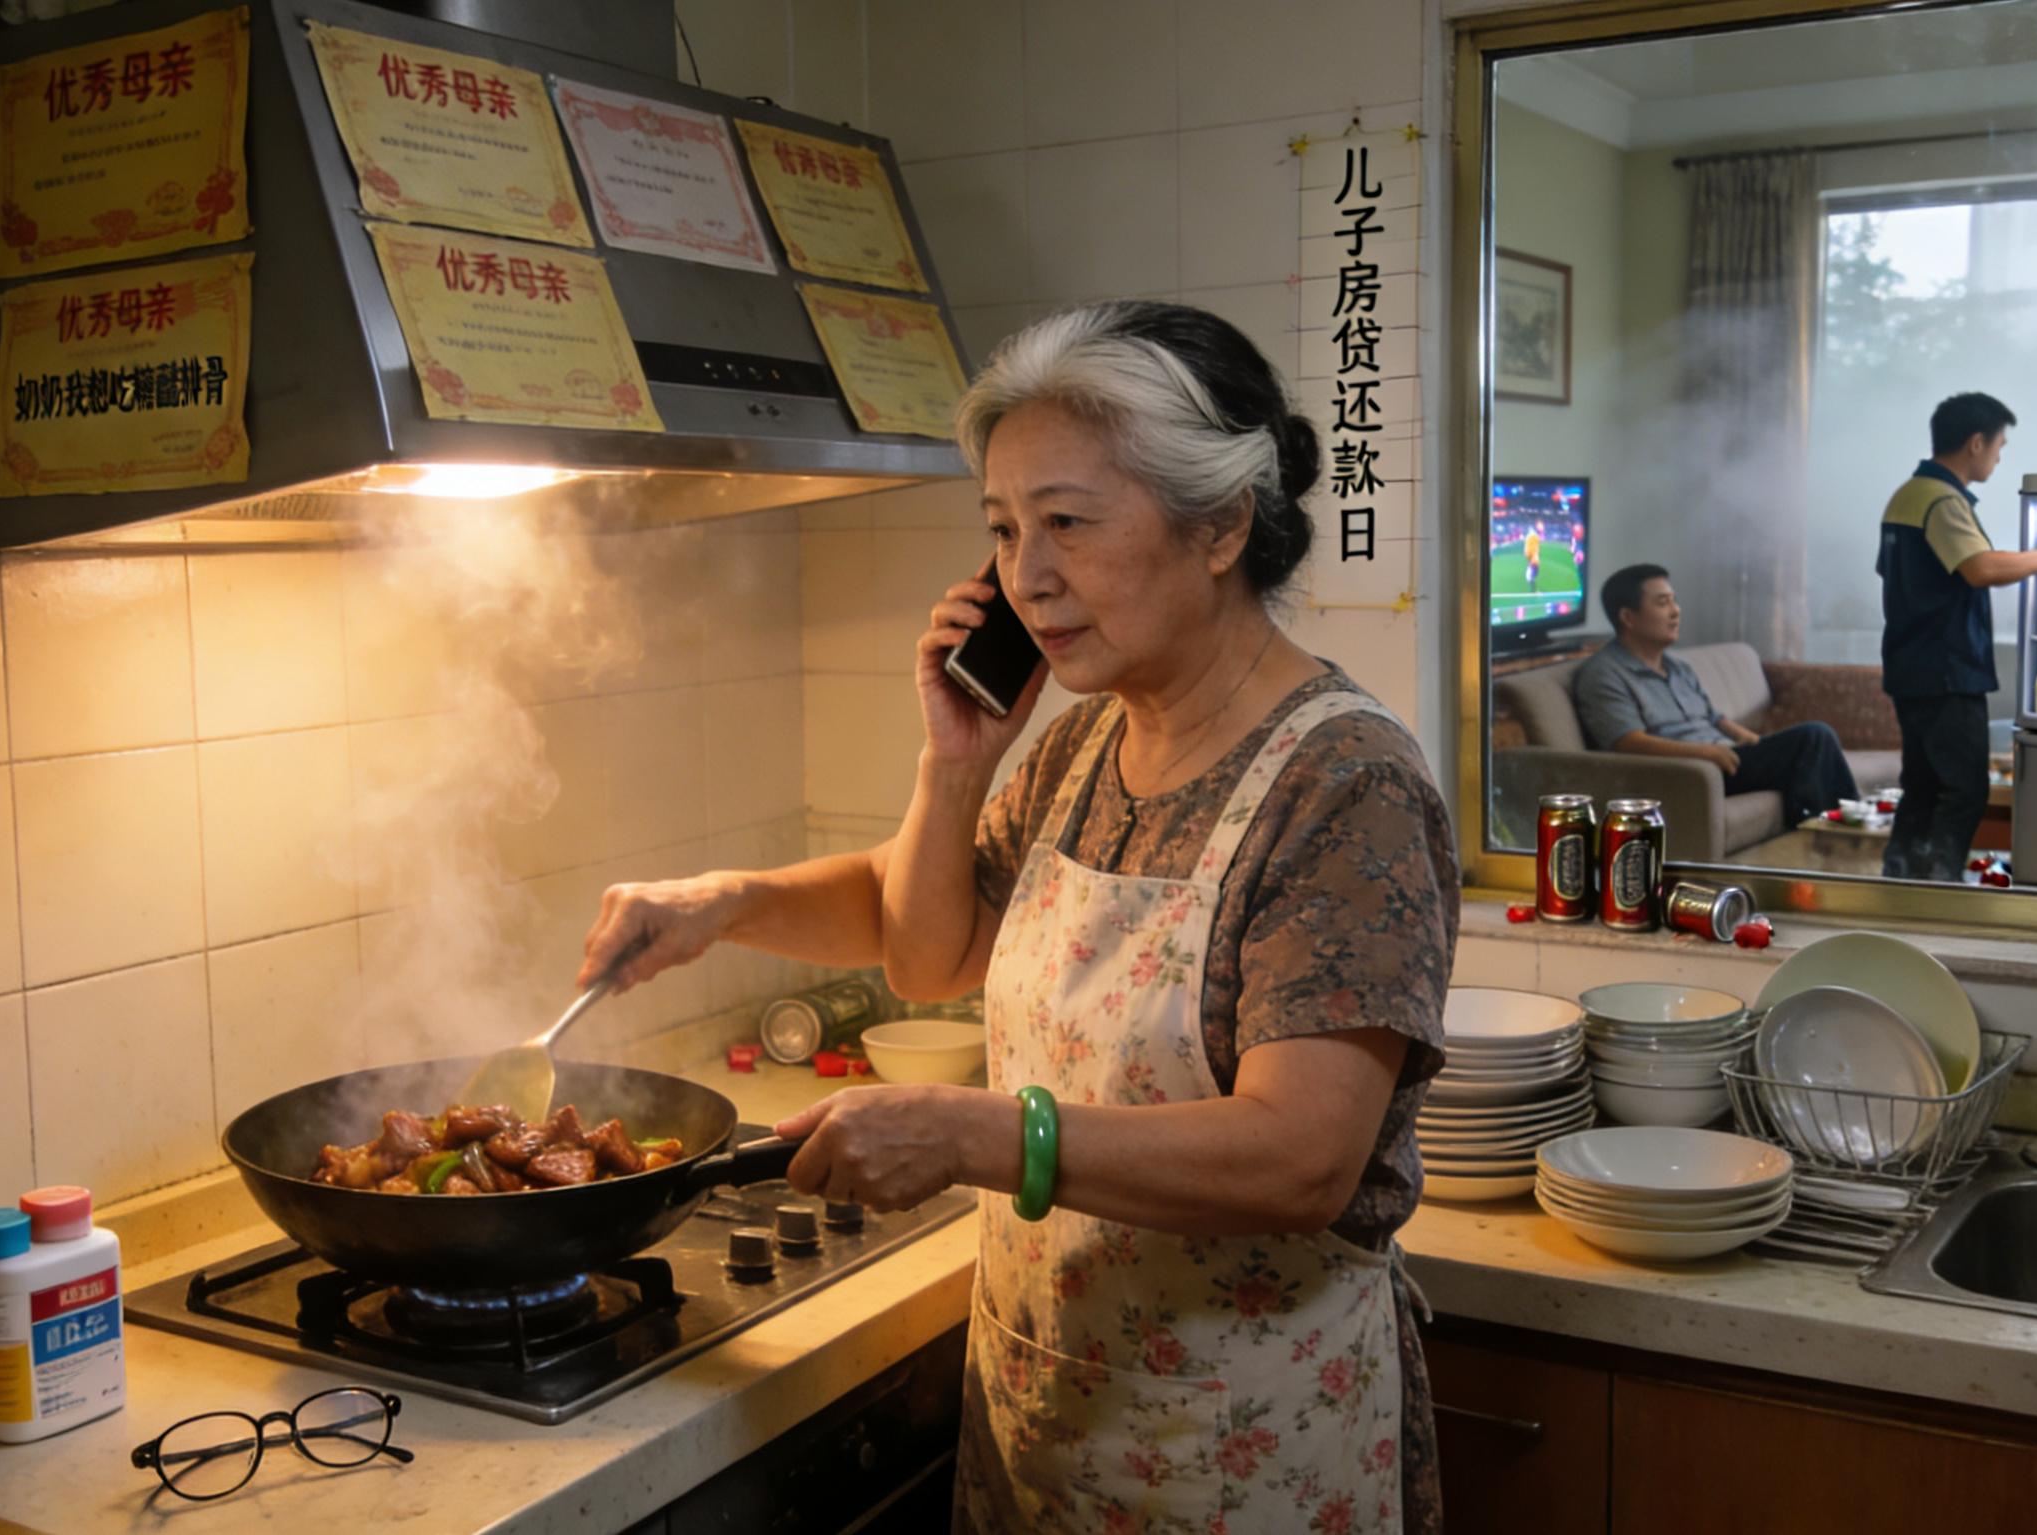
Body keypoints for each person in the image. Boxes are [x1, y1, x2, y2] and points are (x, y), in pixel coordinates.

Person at [574, 302, 1456, 1533]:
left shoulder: (1345, 783)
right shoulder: (1090, 738)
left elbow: (1300, 1155)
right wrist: (932, 778)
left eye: (1067, 524)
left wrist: (978, 1132)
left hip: (1249, 1451)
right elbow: (926, 948)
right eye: (1000, 528)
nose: (1023, 576)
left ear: (1219, 526)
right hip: (1051, 1416)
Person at [1875, 392, 2037, 882]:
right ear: (1975, 442)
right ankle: (1939, 891)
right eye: (1999, 446)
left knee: (1922, 788)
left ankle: (1901, 888)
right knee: (1963, 791)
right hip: (1946, 671)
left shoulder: (1906, 494)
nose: (1999, 457)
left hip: (1910, 666)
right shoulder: (1943, 500)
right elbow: (1981, 569)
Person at [1572, 564, 1860, 827]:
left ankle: (1834, 830)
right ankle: (1848, 828)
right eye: (1663, 603)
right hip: (1692, 772)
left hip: (1723, 758)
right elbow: (1627, 742)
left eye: (1674, 600)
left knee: (1809, 755)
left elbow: (1711, 716)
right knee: (1813, 738)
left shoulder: (1678, 666)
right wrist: (1706, 754)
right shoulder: (1603, 674)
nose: (1675, 611)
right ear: (1628, 617)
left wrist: (1745, 736)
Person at [1523, 522, 1543, 590]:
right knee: (1530, 576)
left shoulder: (1531, 539)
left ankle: (1533, 587)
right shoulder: (1534, 538)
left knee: (1529, 577)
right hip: (1534, 561)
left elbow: (1528, 552)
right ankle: (1533, 586)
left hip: (1533, 561)